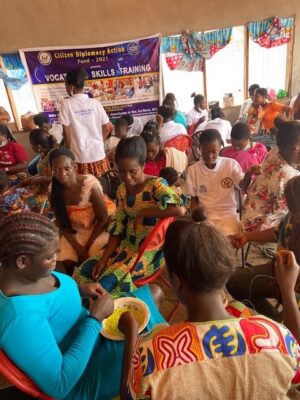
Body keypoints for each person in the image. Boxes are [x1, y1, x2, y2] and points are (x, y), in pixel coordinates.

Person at [126, 208, 300, 399]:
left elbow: (128, 395)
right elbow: (295, 371)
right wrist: (288, 292)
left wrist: (131, 334)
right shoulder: (278, 337)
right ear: (226, 269)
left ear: (176, 280)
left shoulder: (153, 352)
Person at [0, 212, 166, 400]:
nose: (58, 256)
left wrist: (80, 290)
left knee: (154, 293)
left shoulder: (28, 273)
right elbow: (60, 385)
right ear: (22, 262)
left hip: (91, 334)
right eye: (50, 256)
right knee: (161, 347)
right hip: (85, 373)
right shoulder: (19, 319)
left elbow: (50, 300)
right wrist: (94, 319)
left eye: (57, 250)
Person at [73, 136, 187, 296]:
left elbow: (179, 210)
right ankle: (83, 311)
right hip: (125, 246)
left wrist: (143, 212)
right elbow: (117, 229)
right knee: (84, 271)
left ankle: (101, 315)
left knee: (104, 286)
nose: (127, 177)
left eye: (132, 171)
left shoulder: (156, 185)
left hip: (148, 252)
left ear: (143, 165)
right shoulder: (121, 191)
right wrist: (104, 259)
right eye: (121, 171)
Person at [228, 175, 300, 321]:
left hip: (295, 289)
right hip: (278, 272)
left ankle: (279, 326)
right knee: (233, 281)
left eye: (295, 210)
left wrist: (287, 291)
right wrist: (247, 236)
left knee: (289, 333)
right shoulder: (292, 217)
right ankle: (272, 320)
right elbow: (277, 232)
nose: (292, 214)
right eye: (290, 208)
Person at [49, 147, 114, 274]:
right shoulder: (53, 190)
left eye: (66, 168)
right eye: (56, 169)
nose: (61, 174)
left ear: (74, 166)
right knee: (64, 260)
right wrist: (77, 246)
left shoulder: (89, 186)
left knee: (92, 259)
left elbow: (102, 219)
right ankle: (72, 285)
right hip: (74, 230)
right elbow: (61, 223)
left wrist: (87, 246)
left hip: (97, 229)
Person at [185, 129, 257, 235]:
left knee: (229, 242)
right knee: (204, 242)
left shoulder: (230, 164)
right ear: (199, 148)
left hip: (228, 215)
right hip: (205, 215)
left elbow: (243, 187)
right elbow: (193, 198)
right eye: (205, 151)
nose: (209, 156)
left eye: (214, 151)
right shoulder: (193, 170)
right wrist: (197, 216)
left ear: (220, 147)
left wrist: (248, 175)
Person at [242, 118, 300, 232]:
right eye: (296, 148)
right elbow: (285, 213)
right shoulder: (289, 177)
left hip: (248, 215)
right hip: (258, 228)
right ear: (283, 146)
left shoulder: (274, 153)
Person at [59, 67, 111, 177]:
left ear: (71, 87)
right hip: (99, 155)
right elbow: (107, 128)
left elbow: (66, 132)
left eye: (66, 86)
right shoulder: (95, 103)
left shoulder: (66, 104)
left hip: (79, 158)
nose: (66, 89)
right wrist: (99, 142)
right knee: (101, 187)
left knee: (83, 190)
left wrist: (69, 151)